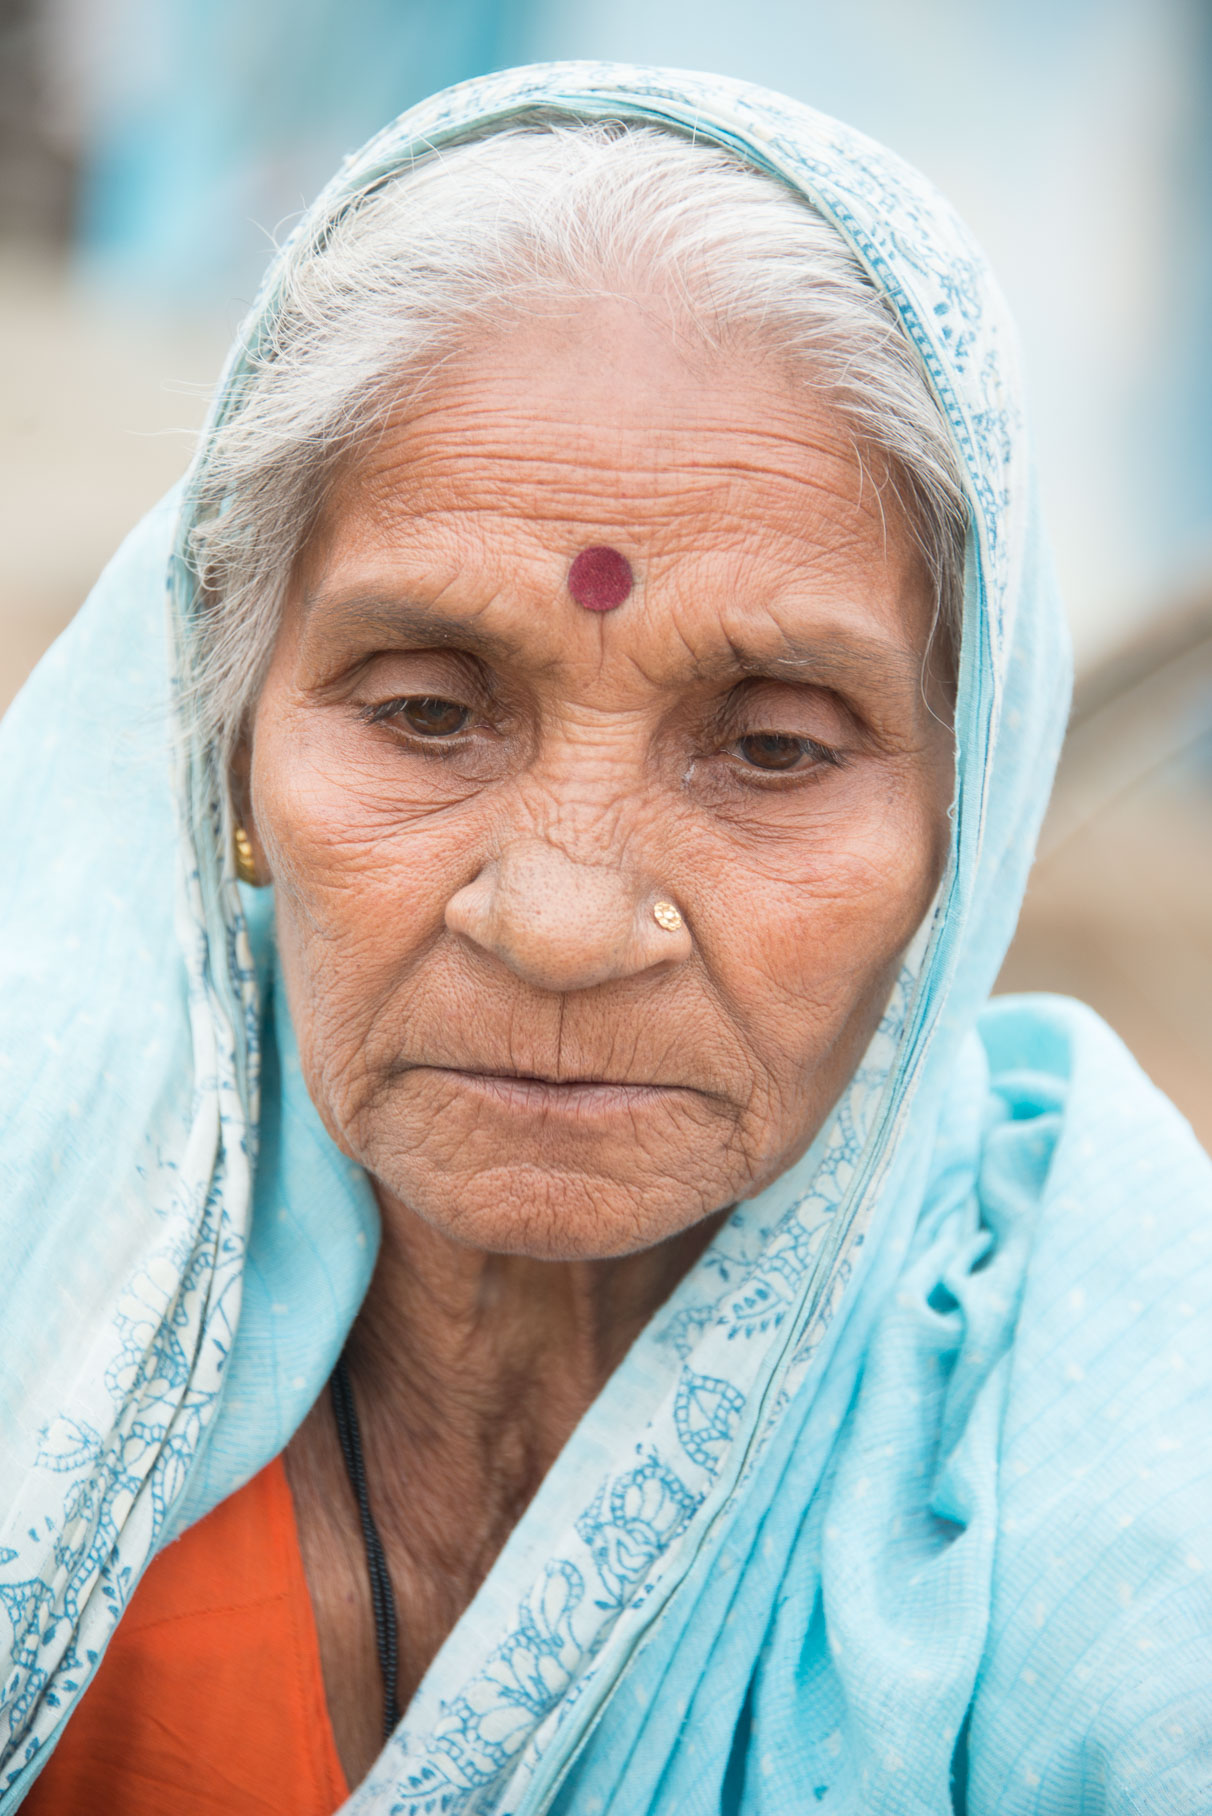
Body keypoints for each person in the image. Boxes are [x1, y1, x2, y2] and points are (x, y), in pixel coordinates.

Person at [2, 61, 1210, 1816]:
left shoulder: (1114, 1440)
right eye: (425, 712)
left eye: (775, 748)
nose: (564, 924)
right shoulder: (47, 1286)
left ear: (967, 827)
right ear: (231, 752)